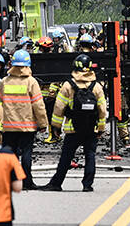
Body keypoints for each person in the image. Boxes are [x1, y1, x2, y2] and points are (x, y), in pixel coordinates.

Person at [41, 54, 107, 192]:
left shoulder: (68, 85)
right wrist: (100, 128)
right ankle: (87, 185)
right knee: (90, 156)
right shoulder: (97, 87)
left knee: (66, 157)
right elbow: (102, 109)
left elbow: (59, 107)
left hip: (72, 129)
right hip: (91, 128)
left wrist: (56, 127)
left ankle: (56, 183)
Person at [0, 50, 48, 190]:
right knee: (26, 153)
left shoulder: (4, 81)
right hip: (27, 127)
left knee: (11, 155)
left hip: (9, 126)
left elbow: (1, 101)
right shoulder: (31, 82)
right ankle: (26, 182)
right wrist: (43, 124)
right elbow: (38, 105)